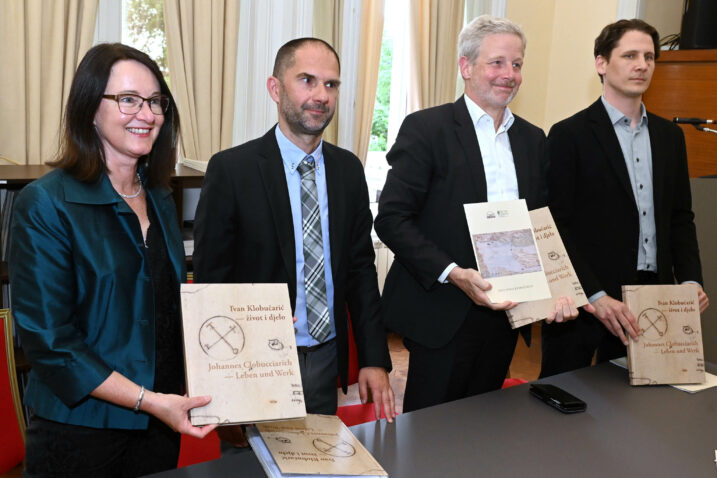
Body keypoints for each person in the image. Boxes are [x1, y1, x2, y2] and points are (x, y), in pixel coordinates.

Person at [9, 43, 216, 477]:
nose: (146, 113)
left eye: (155, 101)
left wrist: (248, 331)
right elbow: (51, 343)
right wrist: (149, 400)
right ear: (90, 109)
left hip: (161, 422)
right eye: (127, 100)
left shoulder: (159, 197)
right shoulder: (46, 203)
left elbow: (165, 304)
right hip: (79, 431)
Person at [193, 38, 394, 446]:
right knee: (247, 465)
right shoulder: (232, 170)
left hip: (323, 354)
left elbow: (360, 268)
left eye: (331, 84)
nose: (321, 95)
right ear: (275, 88)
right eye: (307, 80)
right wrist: (222, 376)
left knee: (312, 461)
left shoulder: (348, 171)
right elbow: (213, 281)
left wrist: (374, 358)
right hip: (255, 360)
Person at [375, 15, 581, 413]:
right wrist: (453, 272)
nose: (509, 74)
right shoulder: (427, 128)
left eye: (517, 64)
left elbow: (539, 225)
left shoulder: (533, 140)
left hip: (508, 315)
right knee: (430, 436)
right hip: (442, 312)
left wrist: (559, 286)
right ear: (466, 67)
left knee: (486, 428)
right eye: (497, 63)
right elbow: (392, 219)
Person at [540, 19, 710, 378]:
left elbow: (681, 217)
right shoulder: (569, 134)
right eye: (630, 55)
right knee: (562, 404)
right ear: (601, 63)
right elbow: (557, 226)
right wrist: (593, 294)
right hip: (587, 300)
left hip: (651, 298)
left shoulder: (670, 137)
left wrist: (691, 280)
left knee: (638, 409)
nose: (642, 65)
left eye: (649, 56)